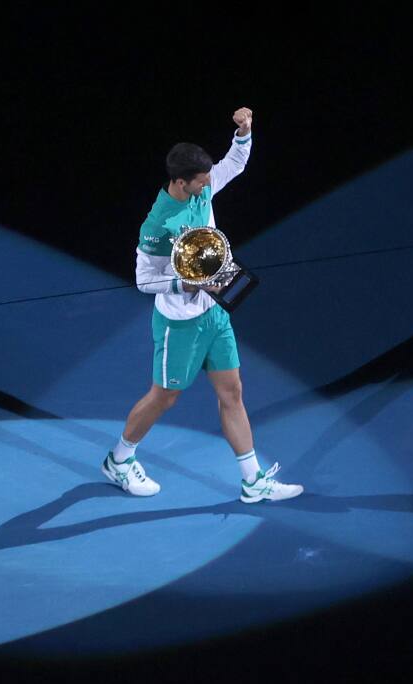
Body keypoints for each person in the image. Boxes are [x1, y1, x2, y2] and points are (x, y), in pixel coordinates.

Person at [101, 107, 303, 504]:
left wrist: (243, 133)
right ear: (180, 182)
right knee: (165, 397)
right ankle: (119, 460)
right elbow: (144, 280)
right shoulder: (158, 225)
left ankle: (252, 480)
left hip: (214, 313)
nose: (209, 183)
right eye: (201, 180)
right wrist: (187, 281)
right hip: (179, 323)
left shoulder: (204, 186)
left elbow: (235, 164)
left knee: (233, 391)